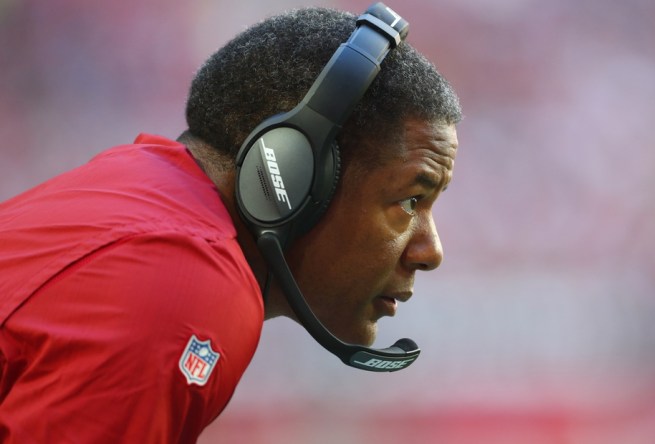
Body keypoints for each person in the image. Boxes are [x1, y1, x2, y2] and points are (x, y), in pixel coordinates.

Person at [0, 4, 462, 443]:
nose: (430, 251)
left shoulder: (138, 193)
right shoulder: (183, 281)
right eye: (410, 200)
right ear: (294, 171)